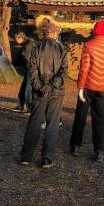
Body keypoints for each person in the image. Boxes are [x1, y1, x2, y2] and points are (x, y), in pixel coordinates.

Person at [69, 20, 104, 162]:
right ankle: (98, 150)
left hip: (88, 87)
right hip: (103, 88)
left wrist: (80, 87)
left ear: (95, 31)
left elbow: (84, 69)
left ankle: (75, 146)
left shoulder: (88, 46)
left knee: (80, 116)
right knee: (100, 119)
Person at [20, 23, 67, 168]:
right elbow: (63, 70)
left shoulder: (36, 47)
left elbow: (32, 70)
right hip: (55, 91)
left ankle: (26, 156)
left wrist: (40, 86)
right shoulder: (61, 49)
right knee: (52, 124)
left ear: (45, 33)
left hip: (40, 91)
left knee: (34, 122)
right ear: (54, 33)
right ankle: (47, 158)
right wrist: (51, 85)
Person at [15, 31, 35, 112]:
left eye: (16, 39)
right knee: (24, 87)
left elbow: (26, 58)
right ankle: (20, 105)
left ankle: (29, 108)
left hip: (31, 69)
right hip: (28, 68)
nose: (15, 41)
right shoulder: (26, 44)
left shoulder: (29, 44)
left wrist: (15, 63)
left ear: (20, 38)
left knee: (28, 88)